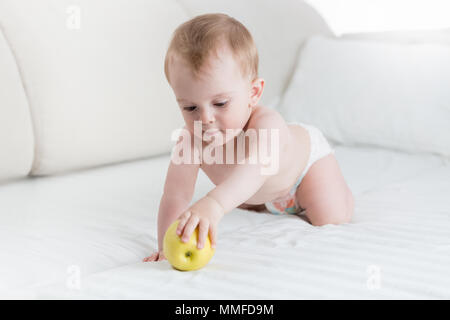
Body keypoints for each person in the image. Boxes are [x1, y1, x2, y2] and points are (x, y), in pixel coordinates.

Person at [144, 13, 353, 262]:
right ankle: (258, 201)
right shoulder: (190, 140)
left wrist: (215, 203)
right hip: (260, 191)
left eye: (220, 103)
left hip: (305, 170)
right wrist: (167, 246)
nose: (205, 118)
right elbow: (175, 195)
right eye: (190, 108)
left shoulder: (267, 125)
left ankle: (340, 197)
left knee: (331, 215)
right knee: (242, 191)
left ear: (253, 93)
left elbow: (256, 169)